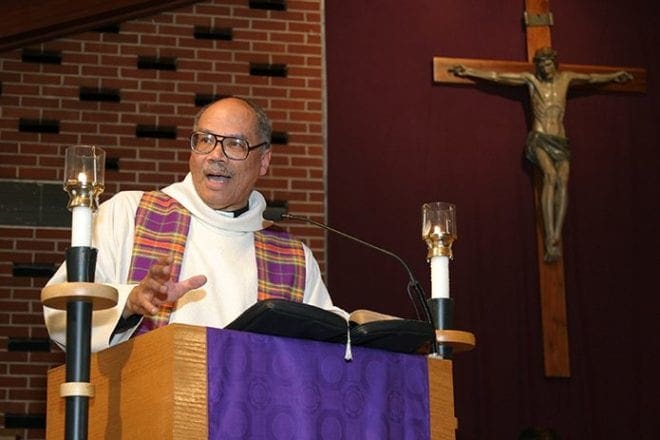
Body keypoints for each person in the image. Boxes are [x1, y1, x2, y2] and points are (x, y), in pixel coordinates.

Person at [44, 96, 344, 352]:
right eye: (205, 140)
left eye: (235, 145)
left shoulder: (293, 258)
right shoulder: (128, 213)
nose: (215, 156)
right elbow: (61, 315)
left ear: (263, 160)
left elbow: (325, 347)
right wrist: (129, 303)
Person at [450, 47, 633, 262]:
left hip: (561, 140)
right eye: (541, 64)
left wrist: (614, 76)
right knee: (550, 176)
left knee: (563, 180)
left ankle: (556, 232)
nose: (545, 68)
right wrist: (469, 71)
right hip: (539, 137)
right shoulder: (531, 81)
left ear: (555, 64)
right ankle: (549, 237)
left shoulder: (567, 79)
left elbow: (592, 78)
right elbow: (497, 76)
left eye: (548, 64)